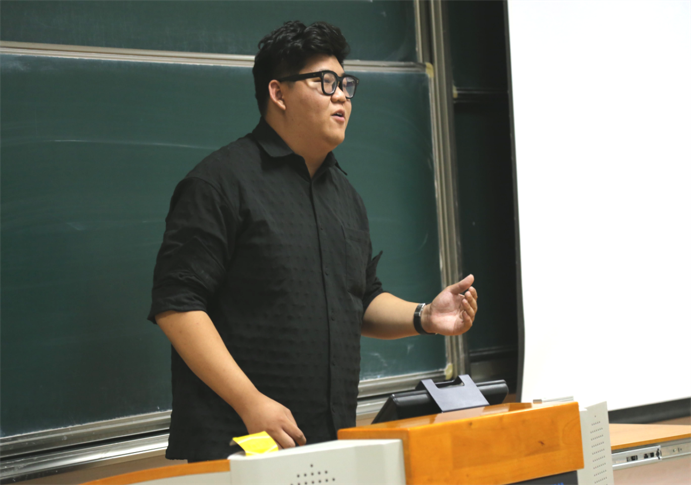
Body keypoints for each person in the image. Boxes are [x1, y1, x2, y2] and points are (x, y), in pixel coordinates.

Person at [148, 20, 478, 462]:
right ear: (278, 93)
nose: (341, 96)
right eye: (325, 82)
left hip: (330, 439)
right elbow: (177, 306)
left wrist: (425, 316)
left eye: (345, 84)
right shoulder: (219, 184)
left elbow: (360, 299)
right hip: (239, 444)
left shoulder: (346, 197)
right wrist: (250, 401)